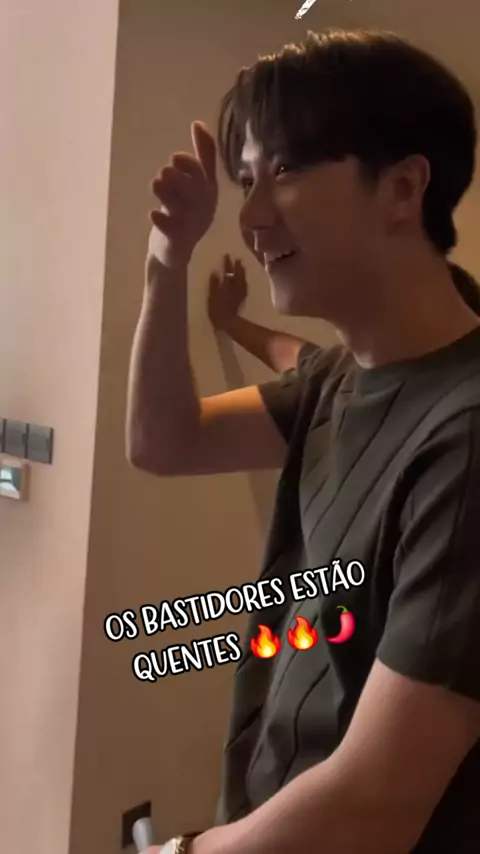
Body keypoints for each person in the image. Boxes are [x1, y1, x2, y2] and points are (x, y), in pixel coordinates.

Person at [126, 28, 480, 854]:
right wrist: (166, 261)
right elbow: (164, 441)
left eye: (283, 170)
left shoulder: (466, 440)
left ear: (403, 188)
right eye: (246, 179)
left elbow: (376, 803)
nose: (249, 216)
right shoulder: (339, 378)